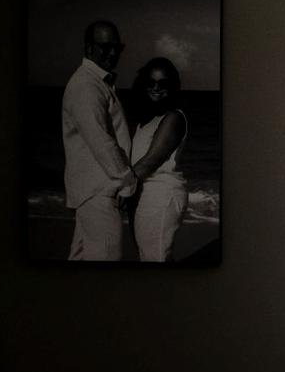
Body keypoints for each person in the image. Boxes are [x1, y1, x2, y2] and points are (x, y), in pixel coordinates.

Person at [61, 19, 136, 262]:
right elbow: (101, 141)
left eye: (117, 47)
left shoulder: (95, 82)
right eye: (105, 46)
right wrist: (127, 182)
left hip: (92, 191)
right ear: (89, 48)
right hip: (99, 193)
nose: (113, 52)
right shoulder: (87, 85)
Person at [126, 56, 189, 263]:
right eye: (151, 83)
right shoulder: (146, 119)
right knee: (149, 257)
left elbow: (150, 161)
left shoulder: (174, 118)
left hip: (161, 196)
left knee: (156, 259)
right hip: (144, 195)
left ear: (173, 86)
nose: (156, 88)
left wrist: (116, 188)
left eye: (163, 84)